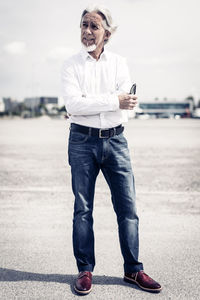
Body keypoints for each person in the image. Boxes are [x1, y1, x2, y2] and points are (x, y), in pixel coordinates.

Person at [61, 5, 162, 295]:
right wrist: (113, 101)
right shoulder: (70, 65)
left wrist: (107, 102)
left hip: (116, 141)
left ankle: (133, 270)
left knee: (128, 209)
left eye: (93, 26)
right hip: (81, 142)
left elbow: (126, 103)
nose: (87, 31)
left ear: (107, 32)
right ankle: (84, 271)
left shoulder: (119, 63)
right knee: (83, 210)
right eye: (83, 25)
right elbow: (74, 106)